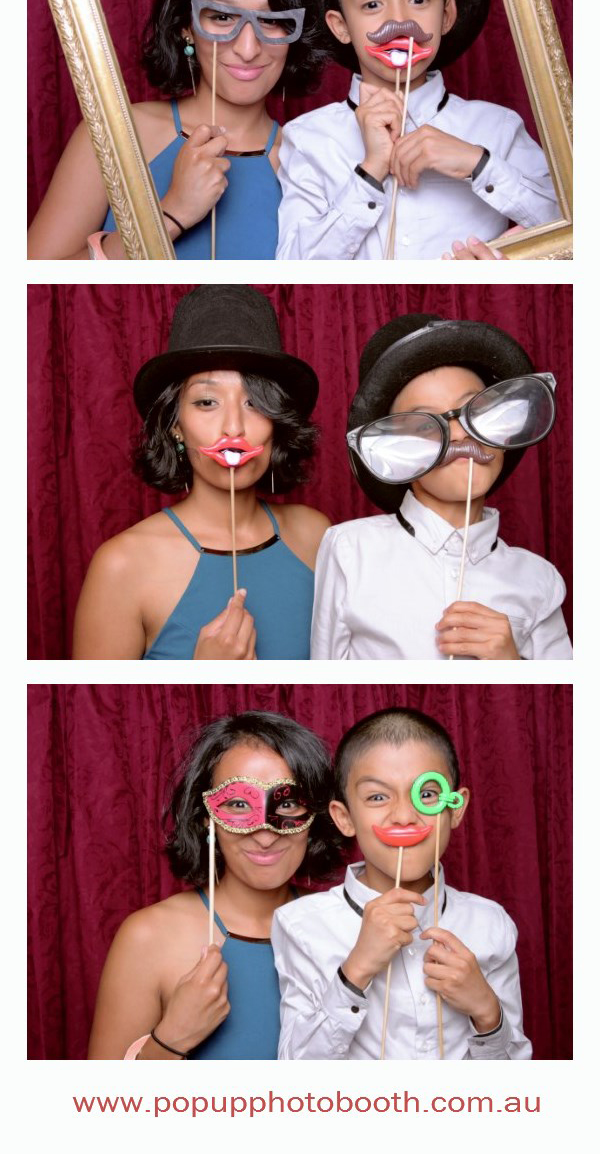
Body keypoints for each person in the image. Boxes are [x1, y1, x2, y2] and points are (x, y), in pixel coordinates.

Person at [276, 0, 560, 260]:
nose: (398, 20)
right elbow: (293, 269)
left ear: (446, 16)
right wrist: (370, 172)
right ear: (340, 25)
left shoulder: (499, 128)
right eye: (372, 4)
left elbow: (572, 233)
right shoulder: (308, 139)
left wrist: (477, 164)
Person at [28, 0, 320, 260]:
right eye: (222, 17)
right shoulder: (120, 133)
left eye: (271, 20)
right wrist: (172, 214)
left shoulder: (310, 161)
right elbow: (33, 285)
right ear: (186, 27)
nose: (248, 48)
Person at [73, 286, 328, 660]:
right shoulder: (122, 564)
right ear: (176, 425)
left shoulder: (316, 534)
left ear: (277, 421)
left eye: (255, 402)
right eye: (207, 402)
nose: (233, 427)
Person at [272, 706, 532, 1060]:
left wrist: (487, 1011)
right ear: (344, 818)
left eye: (426, 794)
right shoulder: (301, 925)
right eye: (378, 797)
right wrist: (356, 970)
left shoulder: (491, 923)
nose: (405, 816)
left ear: (456, 808)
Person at [310, 312, 572, 661]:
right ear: (394, 451)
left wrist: (512, 664)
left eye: (478, 411)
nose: (461, 434)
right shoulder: (350, 549)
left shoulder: (539, 578)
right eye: (425, 426)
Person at [88, 710, 343, 1059]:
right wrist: (171, 1038)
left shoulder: (342, 924)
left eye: (286, 803)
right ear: (207, 817)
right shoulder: (148, 937)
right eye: (238, 804)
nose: (265, 835)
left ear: (314, 816)